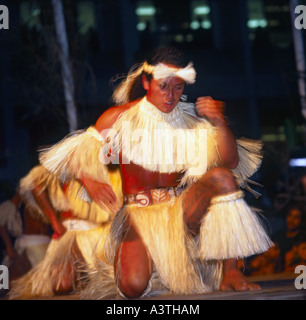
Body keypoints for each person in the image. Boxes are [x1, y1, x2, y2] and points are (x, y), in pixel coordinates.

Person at [38, 47, 272, 299]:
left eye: (178, 87)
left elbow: (230, 161)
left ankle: (231, 272)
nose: (171, 96)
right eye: (164, 86)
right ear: (147, 82)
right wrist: (89, 182)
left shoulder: (191, 117)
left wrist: (219, 123)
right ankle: (157, 264)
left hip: (181, 212)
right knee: (133, 286)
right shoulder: (120, 118)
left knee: (222, 177)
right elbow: (73, 157)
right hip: (137, 215)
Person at [9, 164, 122, 299]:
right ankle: (82, 279)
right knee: (60, 285)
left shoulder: (109, 165)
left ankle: (87, 279)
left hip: (98, 234)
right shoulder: (70, 161)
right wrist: (54, 220)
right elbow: (36, 182)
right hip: (68, 234)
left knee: (107, 284)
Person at [0, 192, 51, 286]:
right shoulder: (13, 202)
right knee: (6, 282)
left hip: (43, 244)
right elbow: (1, 224)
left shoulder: (53, 190)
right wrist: (9, 247)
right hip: (23, 244)